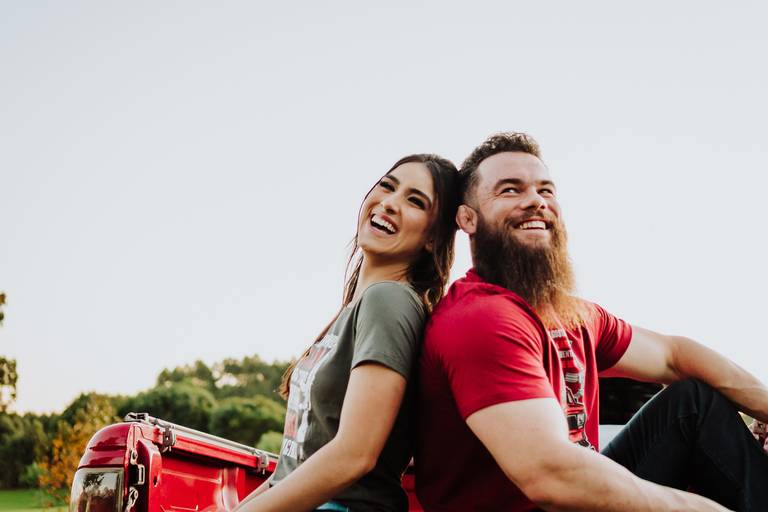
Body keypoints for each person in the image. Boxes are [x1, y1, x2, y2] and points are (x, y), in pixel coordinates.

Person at [415, 132, 768, 511]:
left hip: (574, 496)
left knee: (692, 405)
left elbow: (673, 356)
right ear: (468, 218)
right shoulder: (478, 320)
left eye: (545, 190)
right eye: (510, 190)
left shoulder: (570, 313)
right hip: (548, 498)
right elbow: (549, 475)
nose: (535, 201)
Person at [234, 154, 460, 512]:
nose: (390, 203)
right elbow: (288, 473)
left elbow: (355, 455)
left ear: (433, 238)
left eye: (414, 201)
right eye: (387, 186)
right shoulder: (357, 308)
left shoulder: (391, 301)